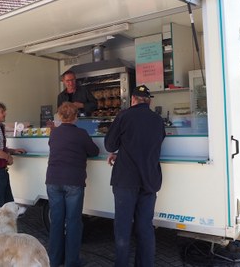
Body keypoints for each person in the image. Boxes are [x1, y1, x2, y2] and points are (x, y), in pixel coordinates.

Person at [104, 85, 165, 267]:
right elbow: (149, 145)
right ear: (149, 101)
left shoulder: (124, 116)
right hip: (149, 180)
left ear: (132, 100)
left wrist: (120, 152)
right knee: (145, 227)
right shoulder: (158, 120)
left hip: (126, 180)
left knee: (123, 228)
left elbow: (109, 145)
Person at [45, 102, 100, 267]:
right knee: (74, 222)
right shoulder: (81, 134)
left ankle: (54, 260)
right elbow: (94, 151)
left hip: (53, 181)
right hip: (73, 182)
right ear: (76, 117)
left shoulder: (54, 134)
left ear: (60, 117)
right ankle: (72, 261)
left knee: (56, 222)